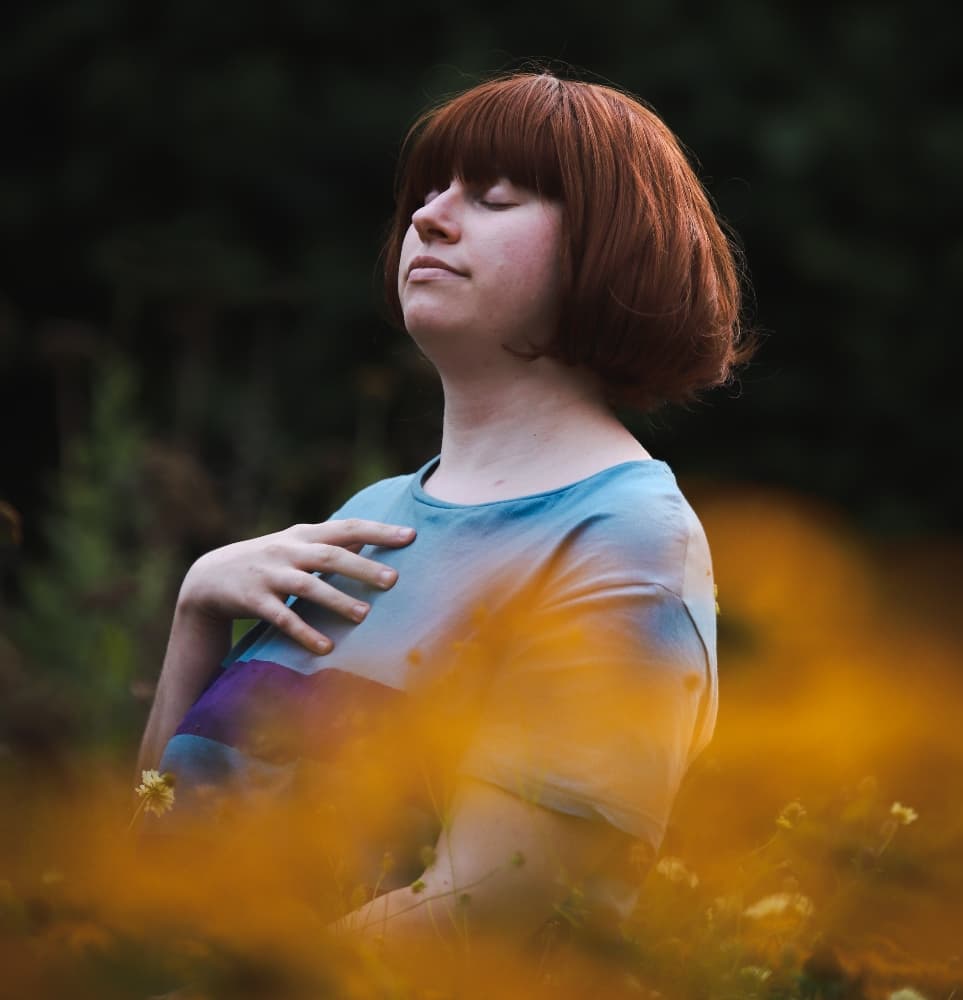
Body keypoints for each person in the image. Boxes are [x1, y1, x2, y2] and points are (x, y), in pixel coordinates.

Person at [137, 70, 751, 943]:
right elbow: (157, 843)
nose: (429, 216)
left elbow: (488, 909)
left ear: (615, 247)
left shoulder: (623, 541)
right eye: (429, 191)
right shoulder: (374, 512)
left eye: (495, 197)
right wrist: (198, 612)